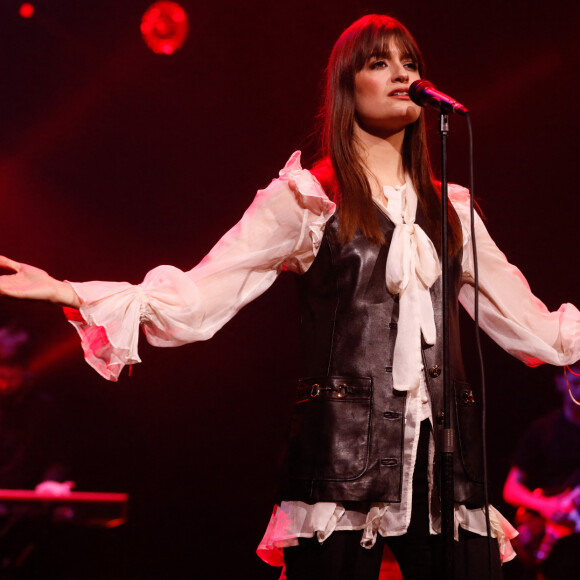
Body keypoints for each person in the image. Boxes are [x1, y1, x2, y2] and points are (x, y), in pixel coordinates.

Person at [0, 13, 579, 580]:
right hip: (341, 468)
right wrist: (64, 288)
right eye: (381, 63)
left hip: (447, 474)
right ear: (348, 86)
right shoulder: (309, 199)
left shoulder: (450, 209)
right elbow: (201, 296)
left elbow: (531, 325)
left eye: (411, 63)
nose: (403, 75)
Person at [503, 364, 580, 580]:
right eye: (576, 383)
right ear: (560, 383)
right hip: (558, 545)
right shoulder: (543, 429)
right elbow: (511, 489)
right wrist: (547, 507)